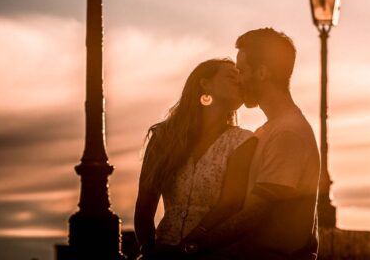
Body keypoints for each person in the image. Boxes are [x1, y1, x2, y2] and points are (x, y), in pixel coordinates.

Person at [178, 28, 321, 259]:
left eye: (242, 71)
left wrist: (191, 247)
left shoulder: (288, 133)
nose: (239, 81)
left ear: (262, 72)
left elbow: (254, 214)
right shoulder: (268, 131)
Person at [134, 59, 256, 259]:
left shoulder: (243, 141)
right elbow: (145, 201)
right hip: (163, 251)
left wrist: (189, 246)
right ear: (205, 83)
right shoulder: (164, 137)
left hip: (216, 252)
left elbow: (230, 205)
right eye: (231, 76)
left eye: (240, 77)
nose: (239, 81)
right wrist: (148, 250)